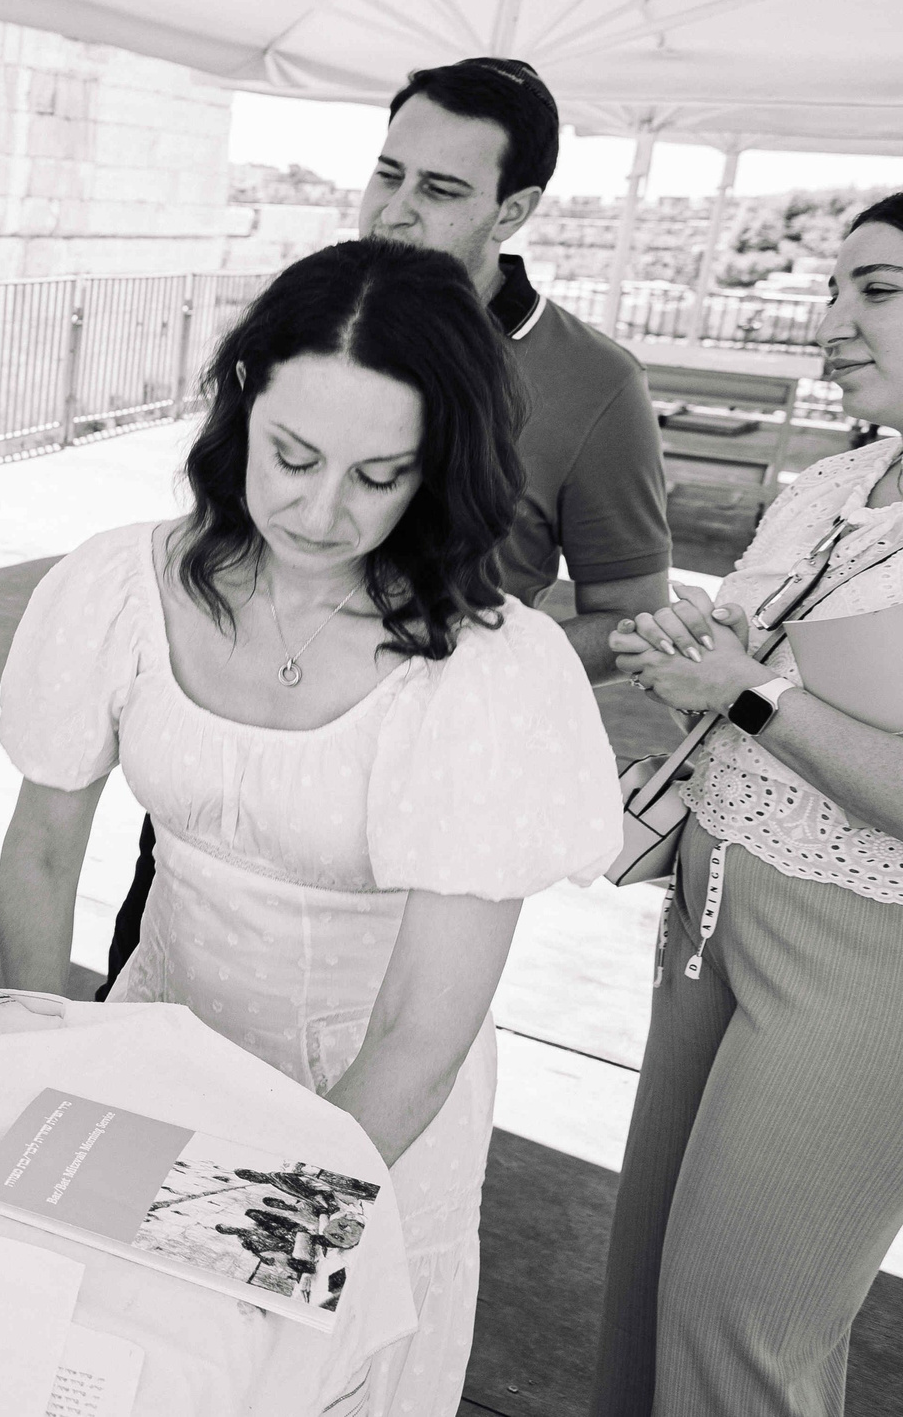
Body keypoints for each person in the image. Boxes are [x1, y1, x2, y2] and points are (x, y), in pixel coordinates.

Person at [0, 240, 618, 1414]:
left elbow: (421, 1028)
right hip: (157, 1036)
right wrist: (49, 1053)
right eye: (292, 456)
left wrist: (273, 1225)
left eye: (379, 476)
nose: (320, 511)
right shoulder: (119, 585)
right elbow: (40, 846)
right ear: (241, 406)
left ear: (439, 469)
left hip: (374, 1114)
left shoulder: (484, 671)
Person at [100, 57, 672, 996]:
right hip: (222, 766)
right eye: (388, 173)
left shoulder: (598, 384)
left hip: (409, 812)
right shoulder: (316, 316)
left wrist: (454, 661)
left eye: (441, 189)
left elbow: (632, 615)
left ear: (515, 209)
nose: (395, 210)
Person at [592, 196, 903, 1417]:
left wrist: (753, 692)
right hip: (707, 908)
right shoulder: (835, 481)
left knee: (741, 1333)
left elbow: (777, 697)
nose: (831, 321)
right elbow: (754, 681)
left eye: (875, 290)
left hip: (862, 957)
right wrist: (691, 668)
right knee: (646, 1288)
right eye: (831, 290)